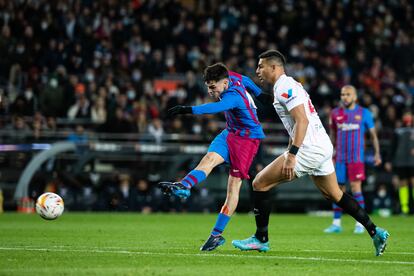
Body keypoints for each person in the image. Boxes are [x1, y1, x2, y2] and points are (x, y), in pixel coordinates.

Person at [232, 50, 389, 256]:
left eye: (261, 66)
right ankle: (375, 231)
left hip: (309, 148)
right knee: (334, 194)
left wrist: (292, 155)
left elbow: (302, 120)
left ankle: (261, 239)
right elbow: (295, 124)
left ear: (274, 67)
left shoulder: (285, 86)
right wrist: (290, 149)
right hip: (321, 146)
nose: (257, 70)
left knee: (259, 183)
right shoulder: (287, 85)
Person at [158, 63, 266, 251]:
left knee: (233, 187)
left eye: (213, 87)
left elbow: (216, 108)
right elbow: (247, 80)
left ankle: (216, 235)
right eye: (208, 86)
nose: (210, 90)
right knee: (208, 160)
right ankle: (184, 186)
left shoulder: (233, 97)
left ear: (225, 83)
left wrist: (187, 109)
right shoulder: (232, 76)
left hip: (247, 140)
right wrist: (259, 93)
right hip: (230, 133)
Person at [324, 85, 382, 234]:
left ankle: (360, 223)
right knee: (338, 190)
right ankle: (336, 223)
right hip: (340, 158)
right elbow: (332, 135)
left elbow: (373, 135)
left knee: (356, 189)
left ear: (355, 97)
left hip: (356, 159)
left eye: (348, 94)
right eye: (343, 94)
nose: (345, 97)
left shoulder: (364, 113)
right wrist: (330, 154)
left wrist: (377, 154)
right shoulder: (335, 113)